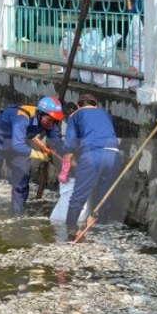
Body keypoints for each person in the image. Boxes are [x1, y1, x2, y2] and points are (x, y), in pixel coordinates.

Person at [0, 96, 65, 216]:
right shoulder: (22, 116)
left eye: (54, 121)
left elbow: (58, 143)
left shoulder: (49, 124)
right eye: (49, 119)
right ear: (40, 113)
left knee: (21, 183)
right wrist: (37, 154)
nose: (51, 123)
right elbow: (17, 144)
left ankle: (17, 216)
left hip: (18, 149)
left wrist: (67, 159)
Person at [57, 94, 122, 239]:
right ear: (95, 105)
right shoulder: (106, 114)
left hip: (93, 156)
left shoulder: (76, 115)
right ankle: (101, 229)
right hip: (114, 155)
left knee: (78, 197)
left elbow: (70, 144)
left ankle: (70, 231)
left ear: (78, 106)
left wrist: (65, 168)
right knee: (105, 196)